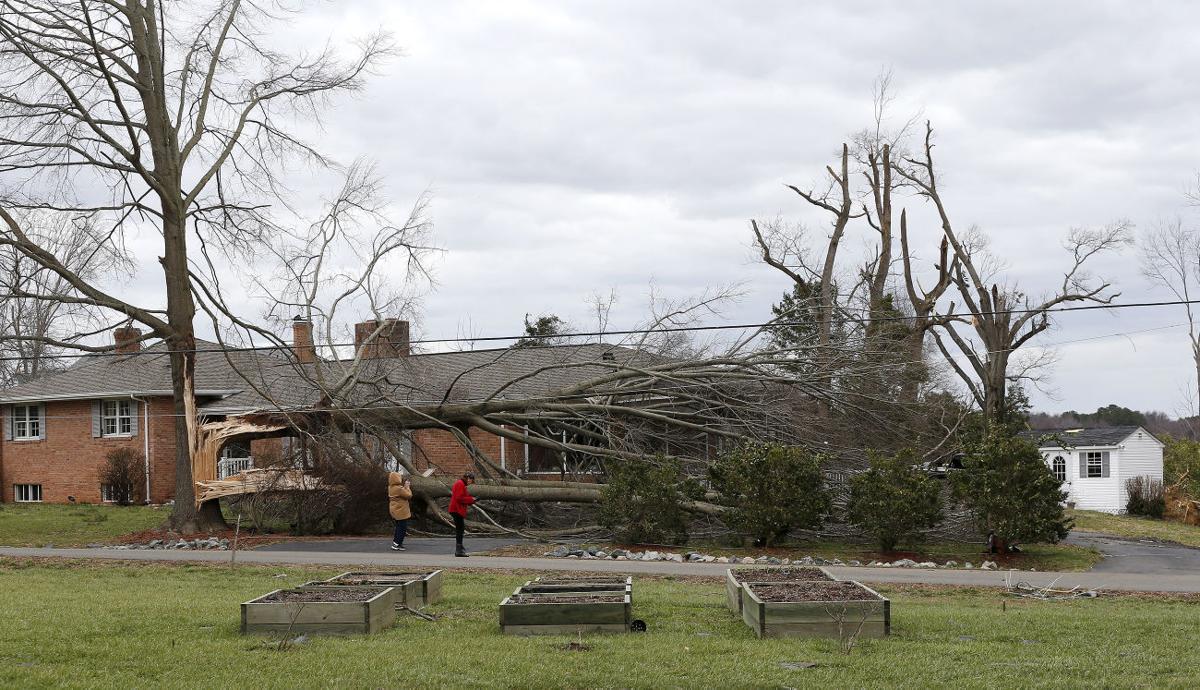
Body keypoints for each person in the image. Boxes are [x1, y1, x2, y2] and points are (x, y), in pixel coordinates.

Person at [448, 471, 476, 557]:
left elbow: (463, 497)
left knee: (460, 529)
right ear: (468, 478)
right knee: (460, 529)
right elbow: (459, 498)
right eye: (471, 480)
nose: (471, 482)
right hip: (456, 509)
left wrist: (472, 499)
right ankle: (459, 550)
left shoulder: (461, 484)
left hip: (456, 509)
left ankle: (459, 547)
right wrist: (471, 500)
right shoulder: (460, 484)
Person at [388, 469, 413, 551]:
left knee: (398, 527)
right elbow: (409, 496)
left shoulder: (390, 487)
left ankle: (397, 543)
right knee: (402, 528)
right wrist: (407, 487)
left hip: (395, 510)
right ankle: (396, 544)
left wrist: (404, 487)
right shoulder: (399, 489)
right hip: (401, 511)